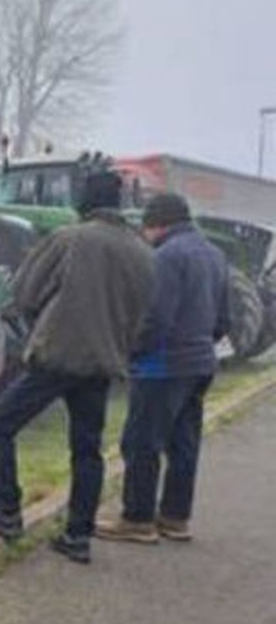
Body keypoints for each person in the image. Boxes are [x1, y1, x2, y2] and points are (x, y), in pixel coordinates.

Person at [0, 171, 155, 565]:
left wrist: (41, 320)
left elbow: (24, 293)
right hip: (103, 362)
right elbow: (145, 315)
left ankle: (7, 512)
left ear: (85, 202)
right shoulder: (142, 251)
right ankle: (78, 536)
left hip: (58, 356)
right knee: (87, 449)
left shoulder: (70, 238)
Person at [96, 193, 229, 544]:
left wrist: (133, 352)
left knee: (142, 441)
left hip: (163, 365)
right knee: (183, 444)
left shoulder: (167, 256)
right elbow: (223, 318)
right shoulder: (214, 254)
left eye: (146, 226)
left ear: (158, 224)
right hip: (200, 362)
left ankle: (138, 518)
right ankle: (175, 517)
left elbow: (157, 317)